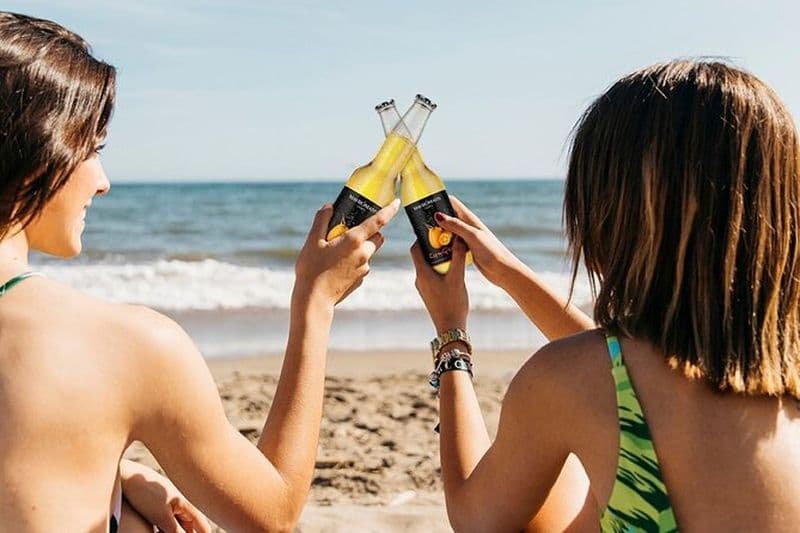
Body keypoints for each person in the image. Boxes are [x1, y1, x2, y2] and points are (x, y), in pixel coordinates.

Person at [0, 11, 398, 531]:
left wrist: (120, 469)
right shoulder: (127, 346)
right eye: (92, 151)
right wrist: (314, 302)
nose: (102, 182)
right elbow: (271, 513)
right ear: (39, 150)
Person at [411, 60, 800, 532]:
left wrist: (451, 333)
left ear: (609, 215)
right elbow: (632, 370)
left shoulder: (568, 380)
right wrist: (509, 272)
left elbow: (478, 519)